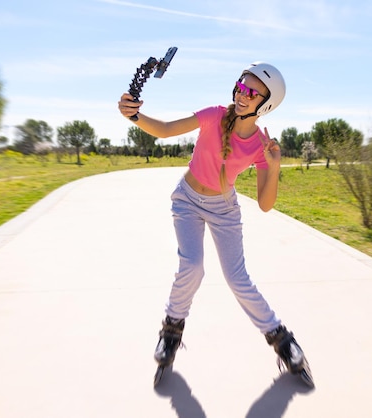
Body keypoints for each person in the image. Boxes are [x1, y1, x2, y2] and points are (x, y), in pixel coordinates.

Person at [117, 62, 312, 386]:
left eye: (251, 92)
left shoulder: (261, 147)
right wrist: (133, 116)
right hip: (188, 200)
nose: (241, 94)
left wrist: (274, 167)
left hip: (224, 209)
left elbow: (265, 205)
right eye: (240, 86)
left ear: (266, 104)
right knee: (192, 266)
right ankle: (171, 330)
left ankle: (282, 341)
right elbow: (165, 130)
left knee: (238, 279)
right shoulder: (214, 115)